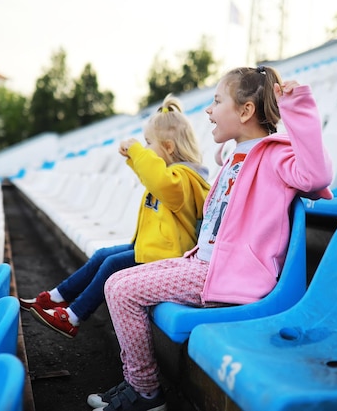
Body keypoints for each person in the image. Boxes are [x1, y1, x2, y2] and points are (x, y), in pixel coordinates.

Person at [89, 66, 334, 411]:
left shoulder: (276, 156)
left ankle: (144, 391)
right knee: (115, 282)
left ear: (246, 111)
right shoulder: (235, 155)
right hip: (204, 263)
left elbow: (316, 174)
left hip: (229, 274)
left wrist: (297, 107)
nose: (208, 109)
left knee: (120, 290)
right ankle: (136, 384)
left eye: (217, 101)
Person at [20, 94, 211, 339]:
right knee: (102, 255)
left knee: (111, 264)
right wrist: (136, 159)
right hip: (151, 249)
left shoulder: (183, 178)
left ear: (169, 148)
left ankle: (73, 317)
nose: (145, 149)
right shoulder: (171, 175)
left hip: (166, 257)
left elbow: (159, 182)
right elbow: (152, 177)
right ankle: (56, 298)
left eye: (148, 143)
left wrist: (136, 153)